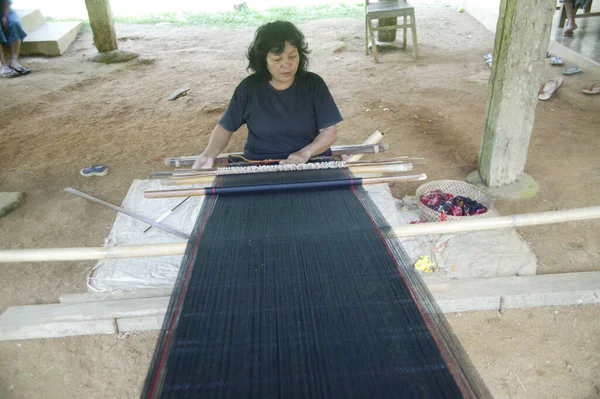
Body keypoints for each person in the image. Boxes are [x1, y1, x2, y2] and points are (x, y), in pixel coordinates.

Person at [192, 21, 343, 169]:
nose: (286, 64)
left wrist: (305, 153)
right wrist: (208, 154)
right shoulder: (249, 89)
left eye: (292, 56)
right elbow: (225, 128)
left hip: (309, 162)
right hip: (259, 164)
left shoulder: (313, 84)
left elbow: (329, 131)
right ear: (263, 60)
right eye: (277, 59)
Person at [1, 0, 30, 78]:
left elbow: (6, 2)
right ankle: (3, 65)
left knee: (15, 23)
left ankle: (14, 61)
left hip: (3, 10)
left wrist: (4, 17)